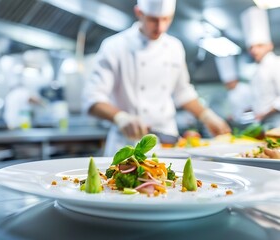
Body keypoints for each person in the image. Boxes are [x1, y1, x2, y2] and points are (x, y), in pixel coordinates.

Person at [82, 0, 231, 156]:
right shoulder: (114, 46)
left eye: (166, 19)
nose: (160, 27)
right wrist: (120, 117)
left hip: (167, 143)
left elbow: (183, 92)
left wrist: (207, 116)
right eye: (153, 19)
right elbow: (92, 98)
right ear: (139, 13)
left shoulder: (174, 47)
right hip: (127, 143)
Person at [241, 6, 280, 129]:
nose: (254, 50)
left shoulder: (276, 63)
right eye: (251, 47)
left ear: (270, 45)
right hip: (264, 125)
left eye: (259, 45)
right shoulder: (256, 70)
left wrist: (264, 113)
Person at [214, 55, 253, 124]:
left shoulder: (245, 89)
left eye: (228, 83)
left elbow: (252, 106)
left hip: (249, 121)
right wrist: (232, 116)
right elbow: (232, 109)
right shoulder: (230, 92)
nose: (226, 86)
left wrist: (242, 113)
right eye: (225, 84)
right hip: (238, 122)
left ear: (234, 80)